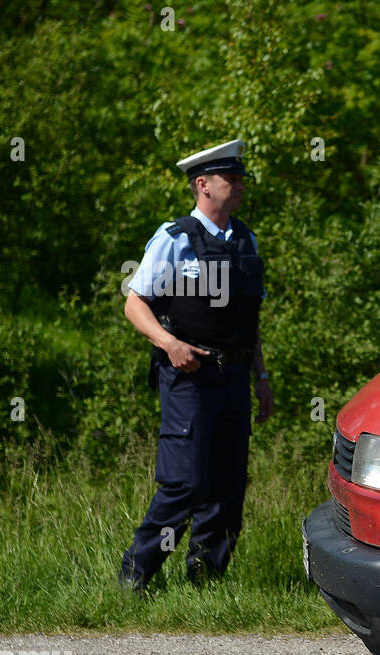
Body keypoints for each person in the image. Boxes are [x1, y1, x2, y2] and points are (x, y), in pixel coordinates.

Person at [118, 139, 273, 592]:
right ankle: (136, 576)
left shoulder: (246, 239)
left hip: (235, 376)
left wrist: (261, 377)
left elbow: (250, 320)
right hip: (190, 377)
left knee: (228, 484)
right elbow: (134, 304)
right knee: (185, 482)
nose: (240, 186)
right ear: (203, 185)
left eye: (241, 178)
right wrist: (169, 344)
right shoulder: (175, 238)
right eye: (232, 179)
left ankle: (205, 582)